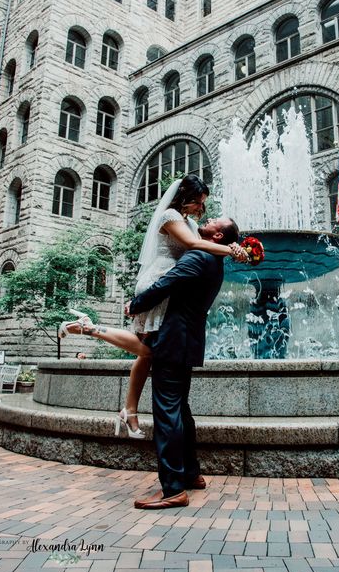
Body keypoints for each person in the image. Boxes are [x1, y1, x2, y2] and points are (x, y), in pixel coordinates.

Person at [58, 175, 247, 439]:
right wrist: (230, 250)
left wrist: (231, 246)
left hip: (174, 285)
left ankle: (129, 409)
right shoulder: (169, 217)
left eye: (203, 204)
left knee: (147, 352)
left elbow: (205, 245)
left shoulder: (191, 222)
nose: (201, 210)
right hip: (160, 282)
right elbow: (193, 245)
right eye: (197, 202)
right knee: (150, 350)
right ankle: (90, 329)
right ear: (185, 197)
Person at [130, 216, 240, 508]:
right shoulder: (214, 261)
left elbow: (167, 282)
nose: (209, 218)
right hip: (188, 341)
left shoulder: (200, 255)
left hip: (173, 340)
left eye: (215, 221)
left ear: (217, 236)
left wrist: (136, 304)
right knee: (180, 409)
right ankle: (191, 474)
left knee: (166, 413)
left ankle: (172, 489)